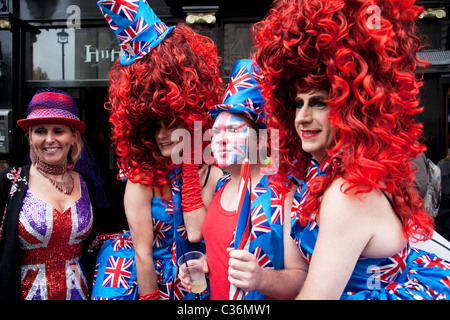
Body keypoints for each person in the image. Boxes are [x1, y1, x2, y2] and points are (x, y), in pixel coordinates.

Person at [252, 0, 450, 299]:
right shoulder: (328, 176)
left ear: (350, 109)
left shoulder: (348, 194)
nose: (302, 117)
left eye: (318, 102)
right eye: (298, 103)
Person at [91, 0, 224, 300]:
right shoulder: (141, 177)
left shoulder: (211, 171)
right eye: (154, 125)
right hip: (139, 277)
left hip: (194, 277)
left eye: (172, 123)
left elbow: (195, 235)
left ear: (190, 119)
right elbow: (142, 253)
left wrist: (190, 170)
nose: (162, 135)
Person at [179, 59, 305, 300]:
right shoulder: (219, 186)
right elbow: (222, 251)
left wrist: (261, 279)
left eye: (235, 130)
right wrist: (205, 264)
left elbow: (301, 278)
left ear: (260, 140)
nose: (220, 139)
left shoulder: (282, 193)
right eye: (216, 132)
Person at [0, 88, 101, 300]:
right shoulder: (8, 183)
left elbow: (97, 245)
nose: (49, 139)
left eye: (58, 131)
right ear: (30, 138)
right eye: (39, 131)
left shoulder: (86, 183)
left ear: (73, 137)